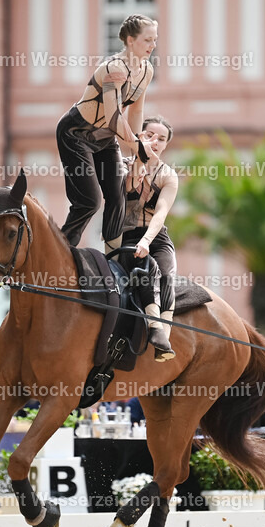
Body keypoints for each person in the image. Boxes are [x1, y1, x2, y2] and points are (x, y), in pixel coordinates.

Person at [57, 14, 158, 252]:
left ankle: (112, 257)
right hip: (76, 133)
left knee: (118, 195)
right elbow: (114, 118)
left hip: (104, 139)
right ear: (130, 41)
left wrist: (137, 152)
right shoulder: (115, 69)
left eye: (155, 40)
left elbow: (136, 111)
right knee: (89, 202)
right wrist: (138, 148)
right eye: (147, 40)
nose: (153, 46)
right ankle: (58, 250)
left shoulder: (146, 71)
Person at [122, 114, 179, 360]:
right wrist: (141, 161)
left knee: (166, 273)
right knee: (147, 268)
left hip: (155, 236)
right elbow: (125, 190)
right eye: (149, 135)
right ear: (139, 136)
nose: (155, 141)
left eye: (161, 138)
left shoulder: (169, 176)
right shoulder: (122, 164)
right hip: (127, 235)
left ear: (166, 145)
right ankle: (154, 326)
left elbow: (161, 213)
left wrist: (146, 241)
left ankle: (163, 337)